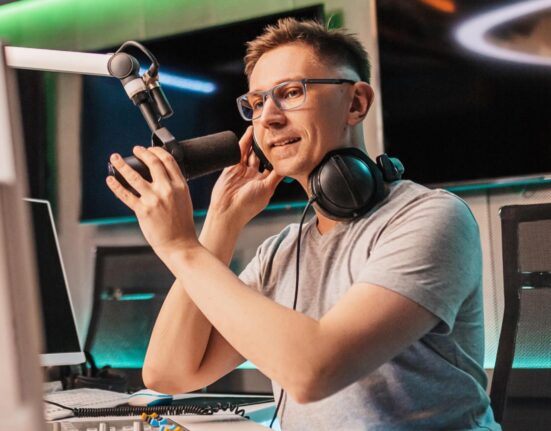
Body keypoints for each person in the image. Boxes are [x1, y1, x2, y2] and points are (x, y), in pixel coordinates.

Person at [106, 18, 500, 431]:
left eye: (291, 93)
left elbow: (315, 372)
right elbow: (170, 373)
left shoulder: (430, 217)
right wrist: (220, 226)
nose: (268, 118)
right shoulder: (281, 252)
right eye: (257, 103)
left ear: (355, 103)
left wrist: (181, 249)